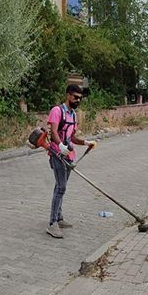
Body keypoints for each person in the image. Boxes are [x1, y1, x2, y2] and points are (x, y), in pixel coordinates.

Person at [46, 84, 97, 239]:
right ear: (68, 95)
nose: (78, 100)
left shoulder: (74, 115)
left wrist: (86, 143)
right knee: (61, 187)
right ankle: (52, 223)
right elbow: (53, 132)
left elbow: (72, 138)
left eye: (80, 98)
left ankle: (59, 218)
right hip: (57, 154)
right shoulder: (57, 111)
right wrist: (60, 146)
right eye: (75, 97)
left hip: (69, 155)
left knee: (61, 186)